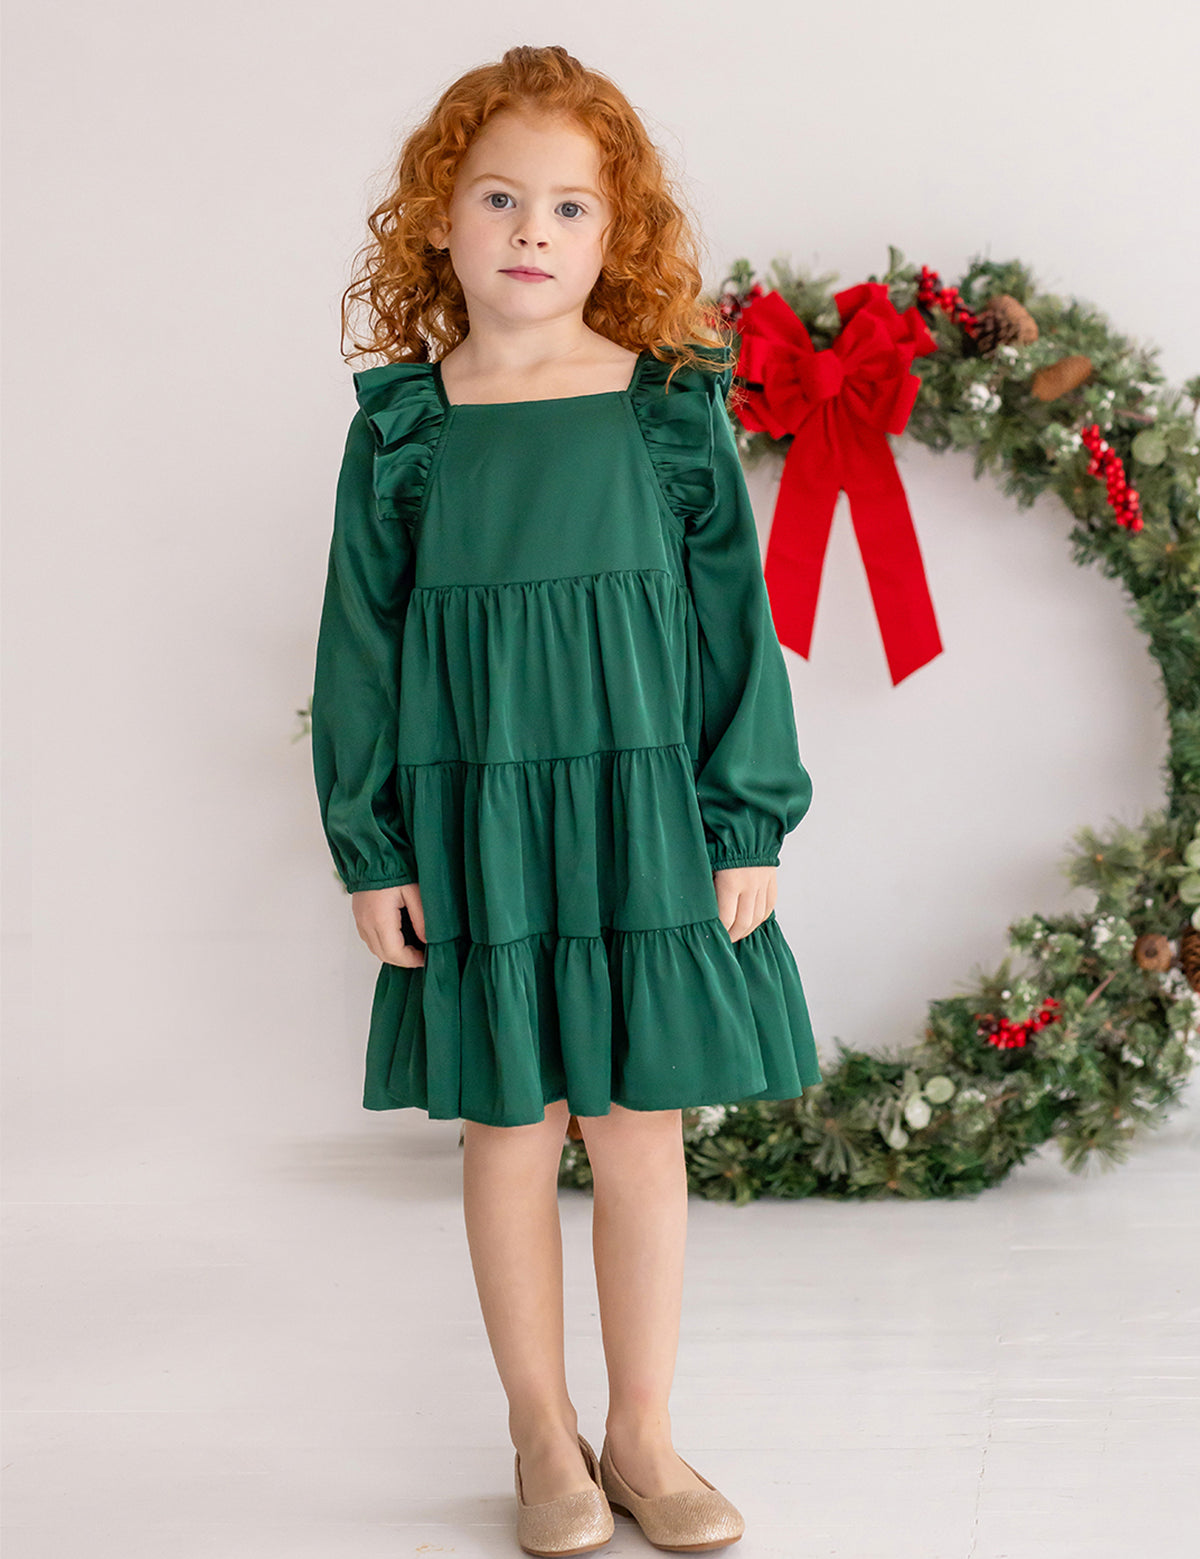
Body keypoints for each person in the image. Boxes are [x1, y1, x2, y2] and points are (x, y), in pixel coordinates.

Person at [311, 43, 822, 1558]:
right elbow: (358, 641)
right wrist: (372, 844)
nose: (534, 230)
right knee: (510, 1126)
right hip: (479, 823)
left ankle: (642, 1432)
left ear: (618, 235)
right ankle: (542, 1432)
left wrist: (747, 818)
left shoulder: (665, 413)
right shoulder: (408, 430)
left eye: (572, 207)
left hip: (639, 808)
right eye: (499, 197)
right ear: (442, 222)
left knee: (640, 1120)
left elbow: (739, 624)